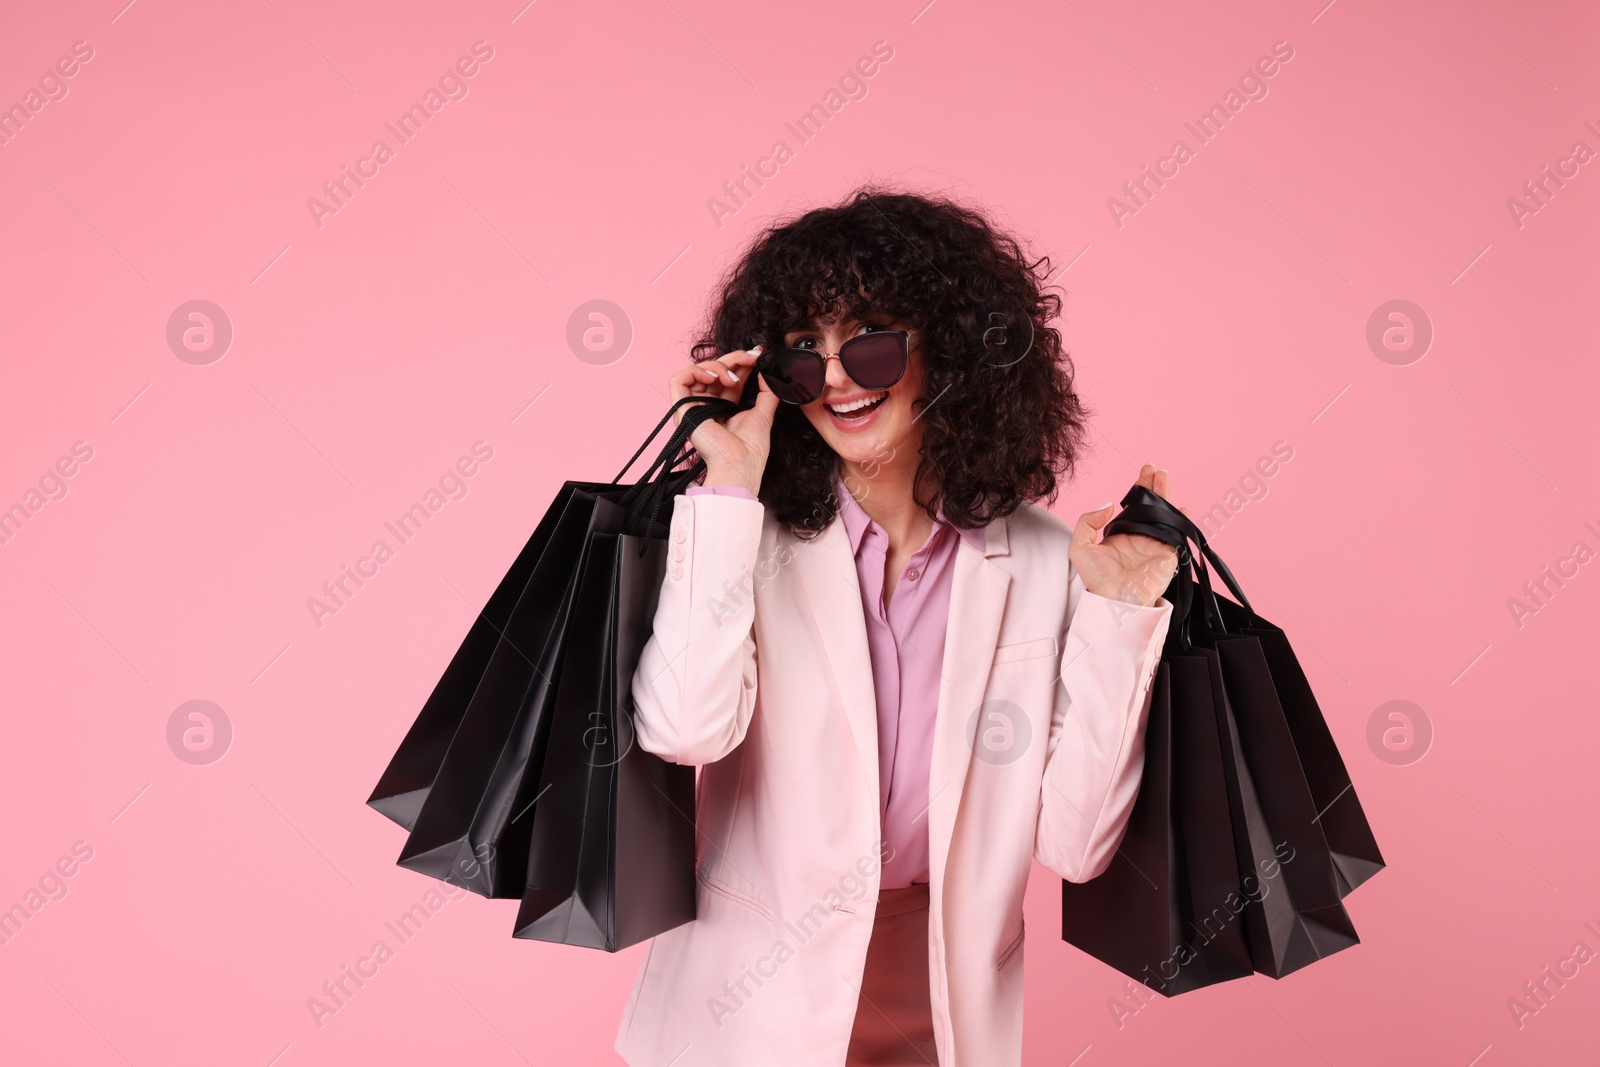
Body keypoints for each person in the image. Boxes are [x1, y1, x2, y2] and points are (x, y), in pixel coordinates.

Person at [614, 186, 1180, 1066]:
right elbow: (684, 731)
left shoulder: (1040, 558)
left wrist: (1118, 616)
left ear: (948, 350)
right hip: (750, 1003)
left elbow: (1074, 845)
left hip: (944, 997)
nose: (835, 377)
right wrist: (726, 487)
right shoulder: (741, 535)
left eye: (870, 341)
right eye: (803, 353)